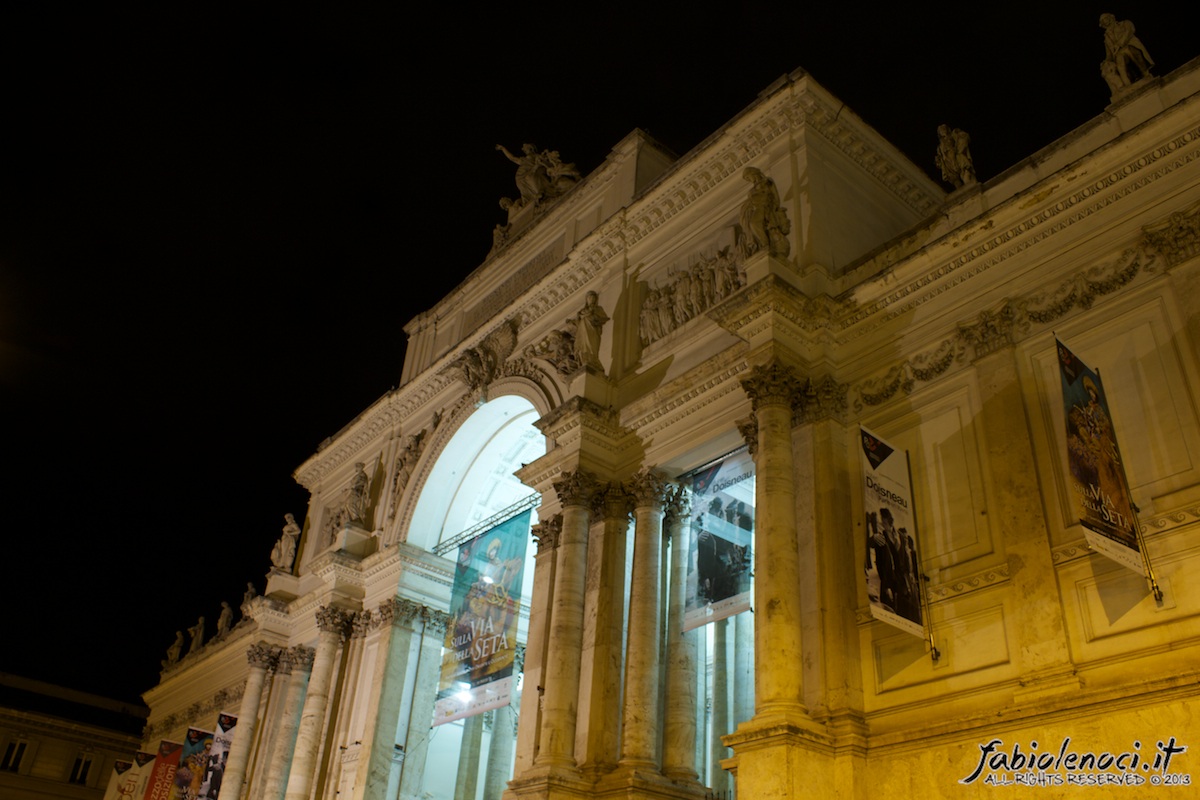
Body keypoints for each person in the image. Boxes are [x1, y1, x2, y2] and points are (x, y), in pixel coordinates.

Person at [738, 167, 791, 259]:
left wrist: (774, 208)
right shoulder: (752, 191)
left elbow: (775, 196)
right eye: (747, 179)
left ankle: (766, 244)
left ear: (753, 173)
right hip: (757, 208)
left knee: (755, 223)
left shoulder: (767, 182)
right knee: (753, 223)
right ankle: (763, 244)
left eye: (748, 177)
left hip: (766, 208)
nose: (749, 180)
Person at [1100, 13, 1154, 89]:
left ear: (1111, 18)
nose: (1105, 21)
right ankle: (1127, 85)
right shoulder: (1106, 39)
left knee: (1129, 51)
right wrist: (1105, 62)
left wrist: (1119, 44)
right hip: (1119, 54)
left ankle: (1145, 74)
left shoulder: (1125, 23)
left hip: (1131, 45)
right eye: (1102, 21)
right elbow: (1109, 54)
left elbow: (1129, 31)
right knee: (1119, 59)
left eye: (1105, 18)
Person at [570, 290, 608, 371]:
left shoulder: (598, 309)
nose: (592, 299)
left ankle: (593, 359)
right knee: (584, 347)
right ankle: (586, 358)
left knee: (592, 346)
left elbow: (604, 318)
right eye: (590, 297)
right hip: (582, 332)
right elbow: (577, 323)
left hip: (593, 331)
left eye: (593, 297)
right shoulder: (581, 312)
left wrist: (595, 319)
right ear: (586, 299)